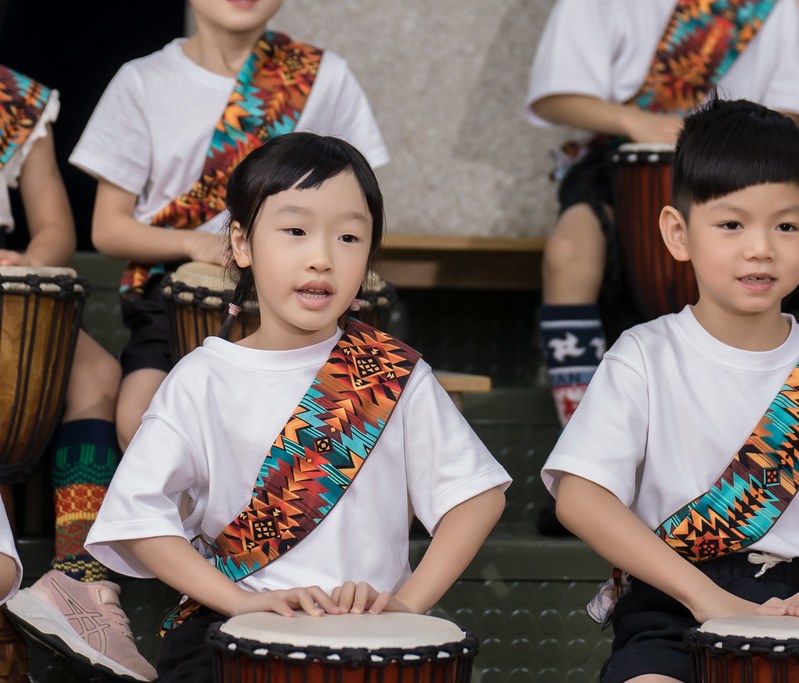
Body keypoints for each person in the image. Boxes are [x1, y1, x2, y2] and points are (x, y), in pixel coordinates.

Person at [84, 133, 511, 681]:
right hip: (231, 633)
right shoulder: (201, 378)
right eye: (295, 230)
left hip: (368, 637)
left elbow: (476, 500)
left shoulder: (394, 373)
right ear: (241, 244)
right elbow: (139, 517)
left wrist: (406, 604)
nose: (322, 257)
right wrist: (236, 602)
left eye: (350, 236)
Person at [542, 99, 799, 683]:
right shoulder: (644, 355)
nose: (761, 248)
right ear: (678, 232)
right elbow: (580, 498)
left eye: (787, 226)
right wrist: (707, 599)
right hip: (674, 606)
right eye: (731, 224)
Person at [526, 0, 799, 438]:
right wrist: (633, 120)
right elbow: (554, 94)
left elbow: (793, 108)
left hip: (745, 173)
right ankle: (581, 434)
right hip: (621, 163)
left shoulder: (766, 6)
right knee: (568, 252)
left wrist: (736, 142)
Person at [69, 0, 390, 451]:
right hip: (173, 297)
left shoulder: (323, 75)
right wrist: (197, 245)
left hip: (308, 294)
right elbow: (108, 229)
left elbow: (359, 201)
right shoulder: (143, 81)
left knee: (376, 423)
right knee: (140, 423)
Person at [0, 64, 155, 681]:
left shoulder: (14, 98)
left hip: (3, 294)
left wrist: (25, 266)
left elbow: (56, 231)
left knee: (94, 371)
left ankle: (79, 575)